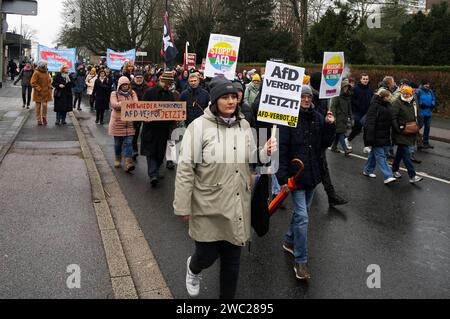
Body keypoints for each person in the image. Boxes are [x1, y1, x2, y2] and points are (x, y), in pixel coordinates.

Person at [173, 76, 276, 299]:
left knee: (232, 264)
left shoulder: (245, 125)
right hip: (207, 204)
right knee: (206, 254)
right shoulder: (198, 127)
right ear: (214, 100)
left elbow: (250, 158)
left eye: (233, 97)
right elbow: (185, 168)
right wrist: (182, 205)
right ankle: (194, 268)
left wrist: (263, 152)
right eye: (225, 97)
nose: (231, 101)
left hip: (237, 204)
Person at [277, 85, 336, 280]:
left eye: (308, 96)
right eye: (302, 96)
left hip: (312, 175)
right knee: (302, 217)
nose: (305, 99)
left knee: (303, 214)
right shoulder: (288, 119)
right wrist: (283, 178)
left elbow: (324, 144)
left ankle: (288, 240)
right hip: (295, 177)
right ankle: (300, 262)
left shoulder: (318, 117)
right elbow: (282, 151)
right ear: (296, 99)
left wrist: (329, 125)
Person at [309, 72, 348, 207]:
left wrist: (328, 119)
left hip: (320, 139)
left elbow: (323, 114)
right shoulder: (308, 97)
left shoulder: (323, 97)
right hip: (308, 139)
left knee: (323, 168)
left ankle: (331, 196)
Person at [141, 71, 176, 186]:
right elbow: (142, 108)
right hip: (150, 128)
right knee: (151, 151)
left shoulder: (170, 95)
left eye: (169, 83)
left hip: (163, 128)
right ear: (161, 80)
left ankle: (156, 169)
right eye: (166, 82)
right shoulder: (150, 92)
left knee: (160, 152)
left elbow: (173, 112)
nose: (167, 85)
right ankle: (153, 174)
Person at [362, 89, 396, 185]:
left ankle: (367, 170)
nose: (391, 98)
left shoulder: (387, 105)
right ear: (384, 97)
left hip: (384, 135)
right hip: (376, 135)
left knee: (374, 154)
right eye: (389, 96)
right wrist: (369, 138)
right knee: (381, 156)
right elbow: (370, 123)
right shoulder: (374, 106)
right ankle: (388, 176)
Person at [390, 86, 423, 184]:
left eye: (407, 93)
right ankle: (412, 175)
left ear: (411, 94)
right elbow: (393, 118)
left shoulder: (413, 102)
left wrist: (419, 126)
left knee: (400, 152)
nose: (405, 95)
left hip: (411, 131)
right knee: (406, 154)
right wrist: (398, 129)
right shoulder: (397, 103)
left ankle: (394, 169)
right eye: (404, 93)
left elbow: (418, 114)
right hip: (400, 132)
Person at [109, 76, 138, 173]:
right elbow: (114, 105)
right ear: (120, 85)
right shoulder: (114, 94)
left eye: (127, 84)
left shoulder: (132, 93)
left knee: (128, 143)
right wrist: (127, 104)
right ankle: (118, 158)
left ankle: (128, 162)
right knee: (118, 144)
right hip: (117, 123)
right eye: (123, 85)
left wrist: (122, 104)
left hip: (129, 123)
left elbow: (136, 104)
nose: (125, 86)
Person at [347, 74, 373, 152]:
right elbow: (351, 101)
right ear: (361, 80)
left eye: (366, 79)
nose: (365, 80)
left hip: (366, 112)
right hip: (357, 112)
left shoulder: (369, 89)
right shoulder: (355, 89)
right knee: (357, 128)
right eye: (364, 79)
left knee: (366, 129)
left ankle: (366, 146)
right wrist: (352, 111)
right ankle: (348, 140)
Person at [130, 70, 150, 160]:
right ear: (134, 78)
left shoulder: (147, 87)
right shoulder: (130, 87)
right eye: (137, 78)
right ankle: (134, 149)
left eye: (140, 78)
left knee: (145, 132)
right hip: (135, 113)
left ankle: (146, 150)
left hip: (145, 112)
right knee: (135, 132)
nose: (139, 79)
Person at [330, 80, 352, 156]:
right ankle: (345, 150)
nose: (346, 88)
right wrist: (334, 117)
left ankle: (334, 146)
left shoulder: (348, 96)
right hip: (338, 118)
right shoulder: (337, 96)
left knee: (338, 133)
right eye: (345, 87)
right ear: (342, 87)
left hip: (344, 118)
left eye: (347, 87)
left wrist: (351, 117)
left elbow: (349, 108)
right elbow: (333, 107)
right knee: (341, 133)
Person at [415, 80, 436, 149]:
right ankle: (417, 141)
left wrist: (433, 104)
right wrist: (420, 105)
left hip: (429, 112)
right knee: (419, 126)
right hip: (421, 112)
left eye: (428, 84)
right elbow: (415, 100)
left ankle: (425, 142)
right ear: (422, 85)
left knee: (427, 127)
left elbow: (433, 98)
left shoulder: (430, 91)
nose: (427, 85)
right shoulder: (418, 91)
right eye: (425, 84)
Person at [31, 61, 53, 126]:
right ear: (42, 66)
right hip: (39, 93)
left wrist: (50, 86)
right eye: (45, 65)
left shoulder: (46, 72)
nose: (46, 66)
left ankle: (44, 117)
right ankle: (38, 119)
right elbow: (33, 82)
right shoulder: (36, 72)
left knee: (45, 106)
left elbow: (48, 81)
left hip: (46, 92)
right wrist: (39, 89)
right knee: (38, 107)